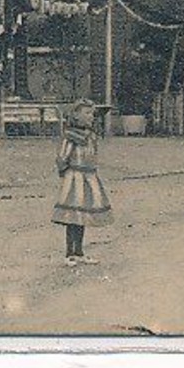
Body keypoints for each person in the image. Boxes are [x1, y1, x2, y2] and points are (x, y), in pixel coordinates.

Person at [53, 99, 113, 265]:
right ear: (76, 116)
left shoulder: (91, 136)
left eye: (92, 114)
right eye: (87, 113)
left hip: (89, 177)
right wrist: (66, 172)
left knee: (83, 216)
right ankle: (69, 253)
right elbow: (62, 157)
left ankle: (79, 252)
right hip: (75, 177)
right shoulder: (70, 135)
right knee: (73, 216)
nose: (91, 117)